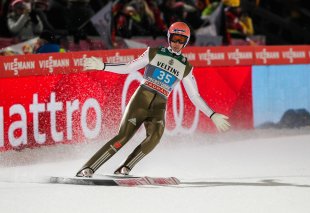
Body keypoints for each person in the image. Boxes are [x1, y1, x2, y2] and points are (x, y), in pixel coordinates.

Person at [77, 22, 231, 177]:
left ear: (186, 42)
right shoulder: (154, 52)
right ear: (169, 37)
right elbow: (129, 67)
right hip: (141, 99)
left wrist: (212, 114)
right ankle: (89, 167)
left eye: (181, 40)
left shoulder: (186, 67)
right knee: (123, 136)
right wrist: (103, 66)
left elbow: (194, 96)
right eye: (175, 39)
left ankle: (125, 168)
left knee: (154, 138)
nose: (177, 43)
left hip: (159, 106)